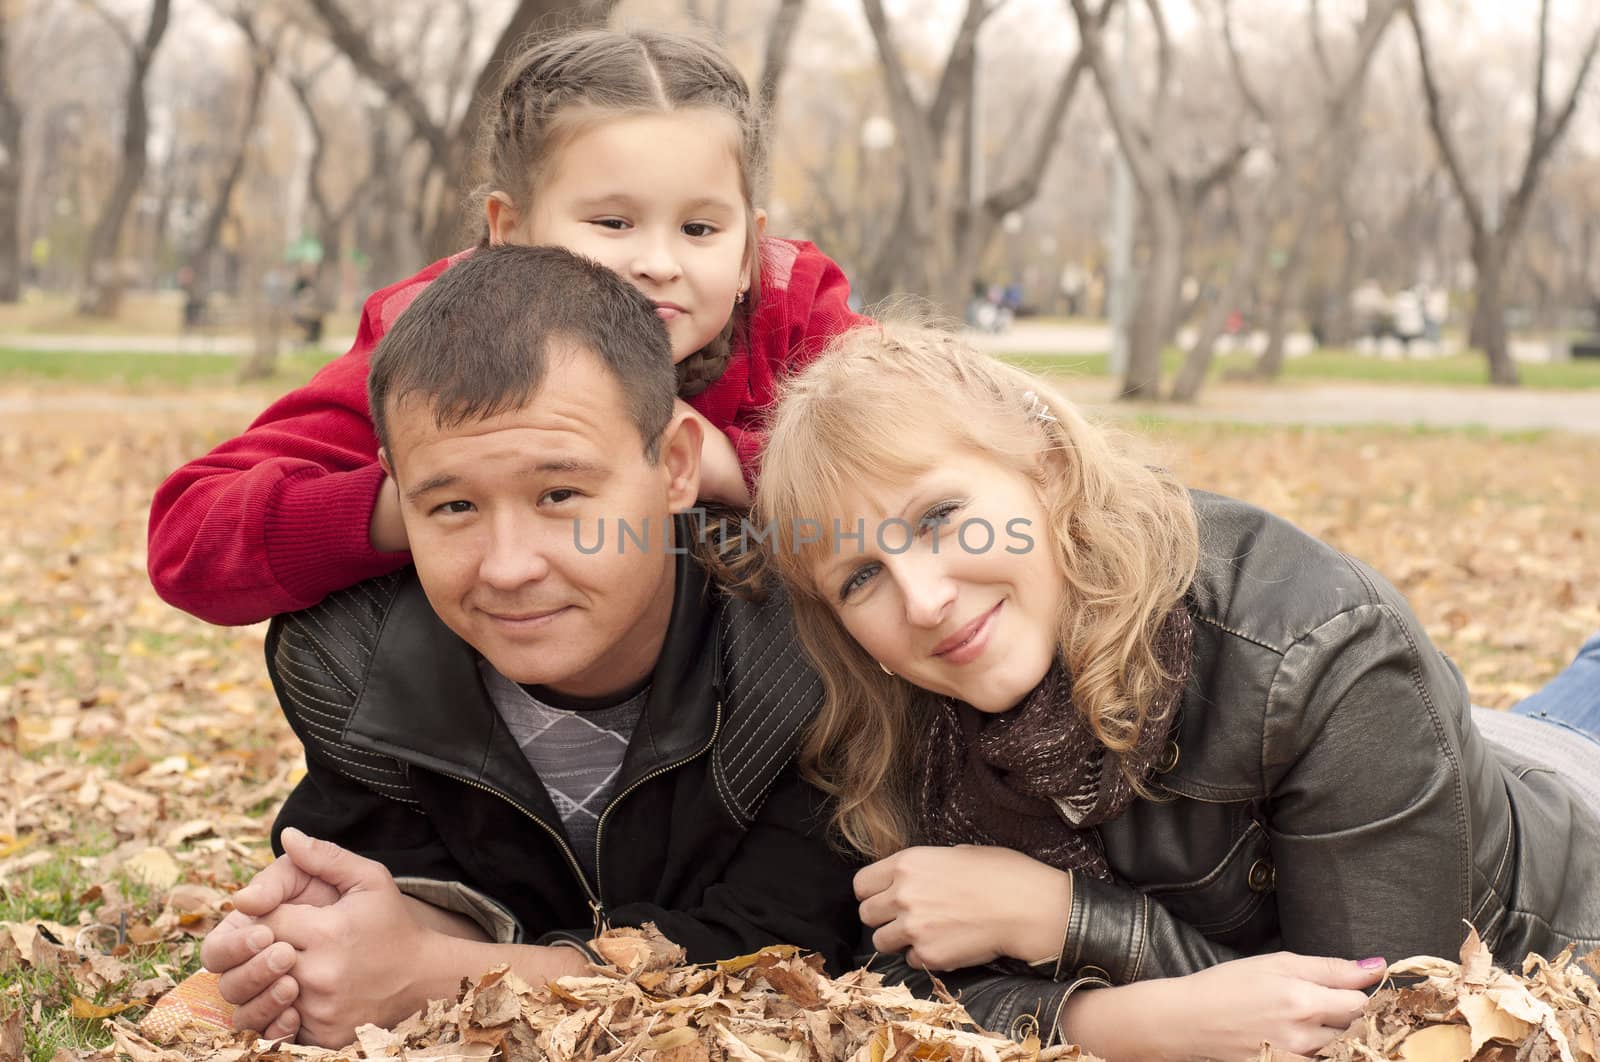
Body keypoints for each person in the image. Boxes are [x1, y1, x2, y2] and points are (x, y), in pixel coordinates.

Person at [751, 324, 1600, 1059]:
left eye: (939, 517)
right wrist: (1125, 1021)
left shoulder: (1315, 647)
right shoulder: (897, 710)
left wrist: (1066, 922)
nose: (924, 600)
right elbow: (903, 998)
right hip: (1471, 750)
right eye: (861, 575)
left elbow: (1382, 1030)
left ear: (1044, 468)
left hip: (1552, 869)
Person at [195, 245, 864, 1048]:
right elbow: (410, 869)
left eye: (560, 495)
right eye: (451, 508)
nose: (508, 567)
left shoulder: (799, 648)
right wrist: (314, 941)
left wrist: (433, 975)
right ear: (395, 488)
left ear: (677, 465)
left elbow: (787, 942)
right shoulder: (348, 657)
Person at [146, 27, 867, 627]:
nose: (658, 261)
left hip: (767, 713)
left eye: (701, 227)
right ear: (510, 229)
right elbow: (189, 541)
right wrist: (440, 502)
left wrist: (732, 465)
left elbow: (940, 475)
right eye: (613, 222)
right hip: (501, 692)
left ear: (748, 247)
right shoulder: (433, 335)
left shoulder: (790, 309)